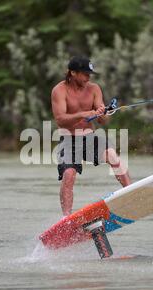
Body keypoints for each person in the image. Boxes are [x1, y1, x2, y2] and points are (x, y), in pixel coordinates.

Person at [51, 56, 131, 216]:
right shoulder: (59, 90)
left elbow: (103, 121)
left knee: (113, 156)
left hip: (90, 137)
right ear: (73, 73)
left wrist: (102, 113)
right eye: (85, 73)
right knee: (69, 175)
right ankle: (66, 218)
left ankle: (131, 193)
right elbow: (60, 120)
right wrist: (84, 114)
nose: (89, 77)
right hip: (68, 139)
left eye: (90, 74)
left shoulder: (94, 89)